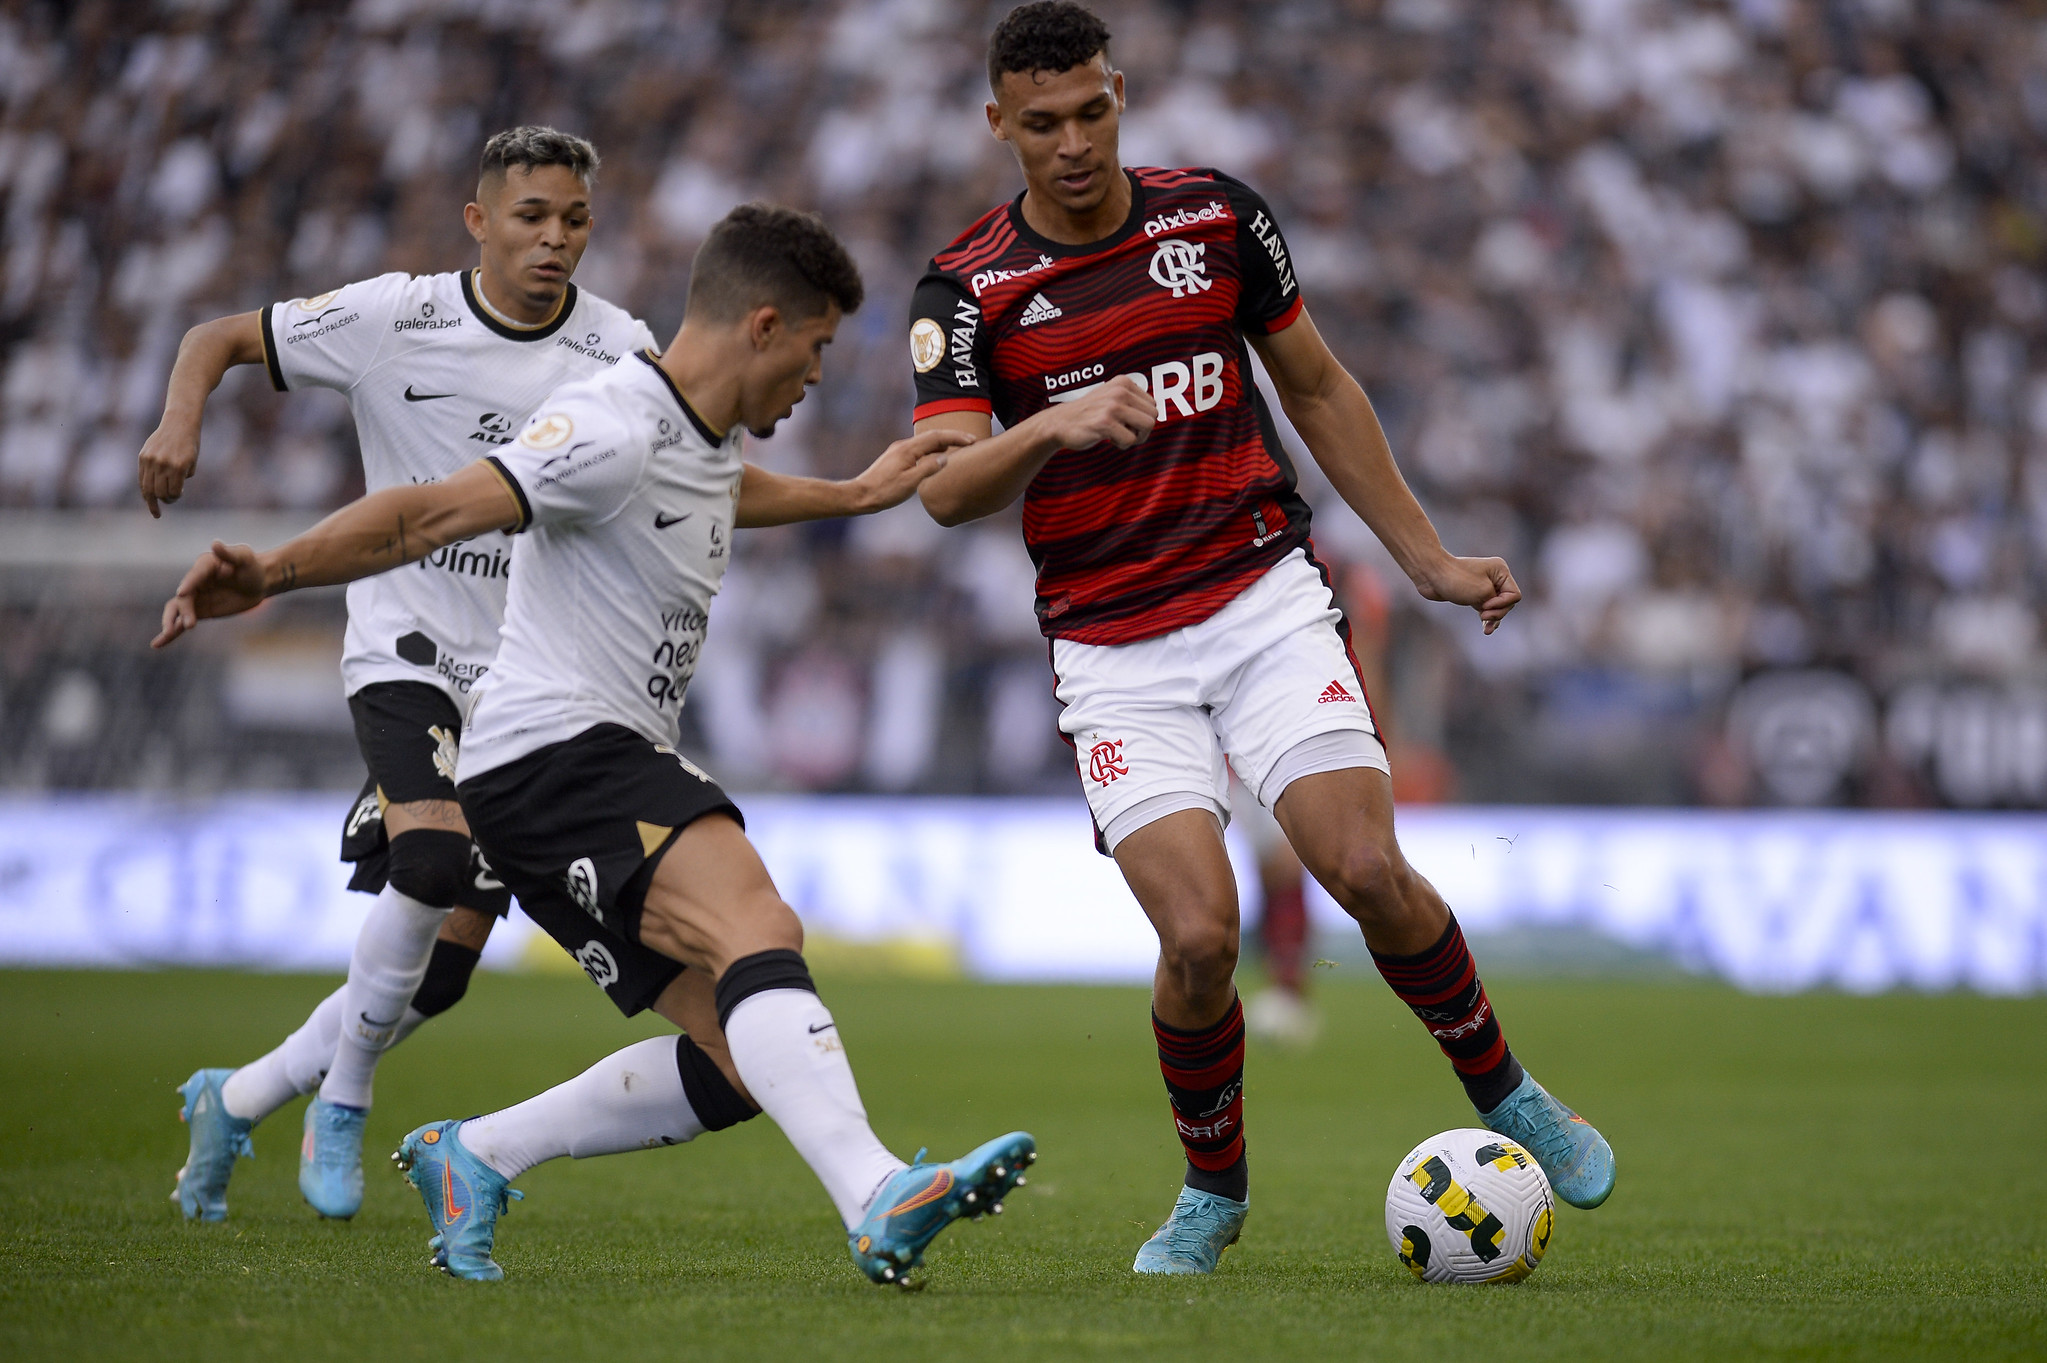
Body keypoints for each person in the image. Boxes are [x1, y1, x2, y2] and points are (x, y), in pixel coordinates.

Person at [153, 203, 1033, 1287]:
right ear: (762, 325)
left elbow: (714, 486)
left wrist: (854, 493)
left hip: (564, 774)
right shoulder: (609, 421)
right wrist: (273, 573)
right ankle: (876, 1192)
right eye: (814, 349)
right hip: (556, 752)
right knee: (759, 921)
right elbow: (429, 513)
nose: (814, 379)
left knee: (740, 1052)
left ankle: (478, 1151)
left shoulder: (699, 434)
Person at [907, 2, 1615, 1274]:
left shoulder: (1216, 220)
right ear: (997, 124)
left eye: (1091, 112)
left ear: (1119, 94)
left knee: (1363, 868)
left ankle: (1509, 1093)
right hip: (1112, 650)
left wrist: (1430, 560)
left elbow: (1320, 388)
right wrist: (1049, 428)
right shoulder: (967, 290)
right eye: (1041, 123)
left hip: (1260, 597)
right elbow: (947, 484)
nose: (1071, 144)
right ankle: (1214, 1191)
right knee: (1195, 940)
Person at [148, 127, 661, 1223]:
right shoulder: (396, 316)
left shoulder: (621, 348)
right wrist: (177, 424)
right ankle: (344, 1102)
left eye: (573, 220)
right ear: (479, 222)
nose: (555, 240)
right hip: (406, 653)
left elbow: (685, 468)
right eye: (531, 217)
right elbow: (217, 335)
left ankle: (232, 1099)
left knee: (437, 973)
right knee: (431, 856)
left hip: (528, 683)